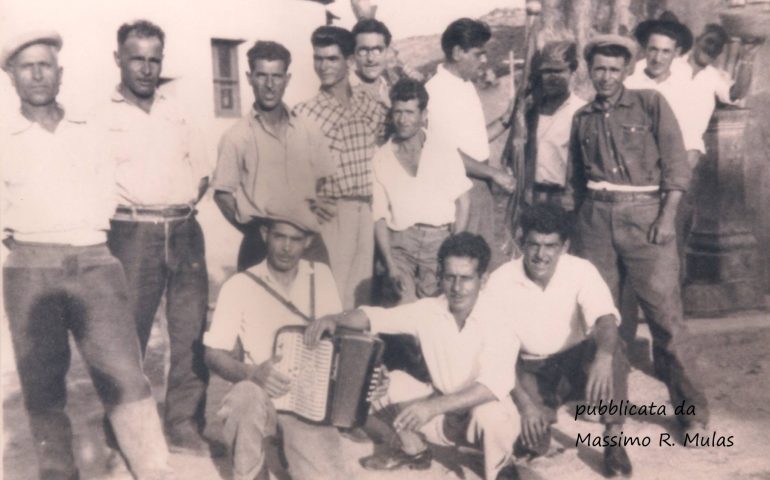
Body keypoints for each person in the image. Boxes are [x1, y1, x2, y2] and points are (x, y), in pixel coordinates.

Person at [1, 31, 170, 479]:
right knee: (43, 387)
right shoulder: (5, 136)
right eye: (26, 65)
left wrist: (85, 239)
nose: (37, 74)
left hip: (95, 261)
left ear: (61, 72)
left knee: (126, 378)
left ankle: (155, 470)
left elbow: (106, 193)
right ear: (10, 75)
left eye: (46, 65)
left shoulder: (88, 128)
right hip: (30, 268)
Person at [568, 34, 710, 439]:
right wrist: (577, 231)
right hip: (595, 220)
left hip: (646, 216)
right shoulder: (582, 119)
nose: (606, 76)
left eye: (614, 69)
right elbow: (575, 182)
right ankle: (613, 408)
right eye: (599, 68)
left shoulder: (651, 104)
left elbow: (677, 168)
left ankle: (692, 412)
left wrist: (666, 218)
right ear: (589, 71)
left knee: (666, 319)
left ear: (627, 70)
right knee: (605, 317)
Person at [305, 233, 521, 480]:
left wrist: (431, 407)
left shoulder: (499, 318)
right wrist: (333, 319)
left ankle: (501, 469)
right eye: (450, 277)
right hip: (442, 414)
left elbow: (493, 386)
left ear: (483, 279)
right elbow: (373, 317)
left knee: (490, 415)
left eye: (466, 279)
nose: (457, 288)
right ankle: (412, 450)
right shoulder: (429, 310)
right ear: (440, 276)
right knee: (383, 383)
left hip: (483, 417)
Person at [98, 20, 211, 455]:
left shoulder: (176, 111)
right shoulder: (100, 117)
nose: (146, 68)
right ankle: (125, 432)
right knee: (128, 339)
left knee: (189, 334)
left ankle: (182, 424)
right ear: (118, 60)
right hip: (131, 232)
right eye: (137, 58)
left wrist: (176, 208)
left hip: (184, 230)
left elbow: (201, 171)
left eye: (154, 59)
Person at [203, 199, 347, 480]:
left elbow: (342, 342)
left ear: (307, 242)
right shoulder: (239, 285)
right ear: (265, 235)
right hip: (261, 398)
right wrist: (252, 373)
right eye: (280, 236)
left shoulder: (322, 277)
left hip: (309, 406)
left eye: (296, 239)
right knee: (244, 396)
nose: (286, 247)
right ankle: (252, 471)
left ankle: (285, 451)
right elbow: (213, 354)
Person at [484, 204, 632, 477]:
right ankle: (541, 419)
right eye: (534, 245)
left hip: (575, 361)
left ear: (564, 246)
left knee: (613, 350)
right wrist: (526, 406)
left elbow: (606, 319)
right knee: (532, 445)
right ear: (521, 242)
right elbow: (495, 356)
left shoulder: (581, 270)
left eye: (550, 245)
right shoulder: (500, 281)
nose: (541, 255)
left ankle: (614, 440)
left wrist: (603, 357)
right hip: (529, 368)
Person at [212, 40, 335, 271]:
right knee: (260, 306)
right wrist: (252, 231)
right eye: (262, 76)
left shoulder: (309, 130)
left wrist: (310, 211)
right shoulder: (236, 136)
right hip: (261, 242)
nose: (269, 85)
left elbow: (324, 181)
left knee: (319, 304)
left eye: (277, 76)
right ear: (249, 78)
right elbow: (222, 194)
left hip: (307, 241)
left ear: (287, 79)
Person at [294, 25, 388, 309]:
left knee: (361, 299)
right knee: (329, 298)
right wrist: (308, 199)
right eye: (318, 58)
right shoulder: (304, 113)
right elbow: (292, 170)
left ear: (349, 61)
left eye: (332, 58)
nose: (323, 66)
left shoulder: (370, 106)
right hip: (332, 214)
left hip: (367, 212)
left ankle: (352, 354)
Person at [426, 18, 516, 267]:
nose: (484, 60)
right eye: (478, 54)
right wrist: (495, 174)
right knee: (464, 262)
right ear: (457, 52)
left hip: (480, 185)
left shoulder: (465, 86)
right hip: (459, 189)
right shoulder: (436, 92)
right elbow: (445, 154)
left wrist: (505, 121)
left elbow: (474, 142)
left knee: (482, 260)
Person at [373, 77, 471, 304]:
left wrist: (453, 251)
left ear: (424, 115)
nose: (403, 120)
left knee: (436, 311)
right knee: (402, 310)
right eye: (398, 112)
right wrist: (389, 264)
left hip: (439, 243)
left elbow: (463, 202)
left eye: (410, 112)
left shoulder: (443, 149)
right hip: (401, 246)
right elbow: (378, 216)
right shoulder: (381, 157)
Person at [523, 41, 586, 210]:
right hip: (532, 197)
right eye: (546, 72)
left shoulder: (581, 112)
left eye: (558, 71)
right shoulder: (531, 113)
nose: (551, 78)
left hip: (565, 199)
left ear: (572, 71)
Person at [350, 18, 394, 107]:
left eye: (377, 50)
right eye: (363, 51)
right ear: (353, 54)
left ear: (387, 52)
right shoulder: (343, 92)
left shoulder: (391, 91)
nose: (370, 58)